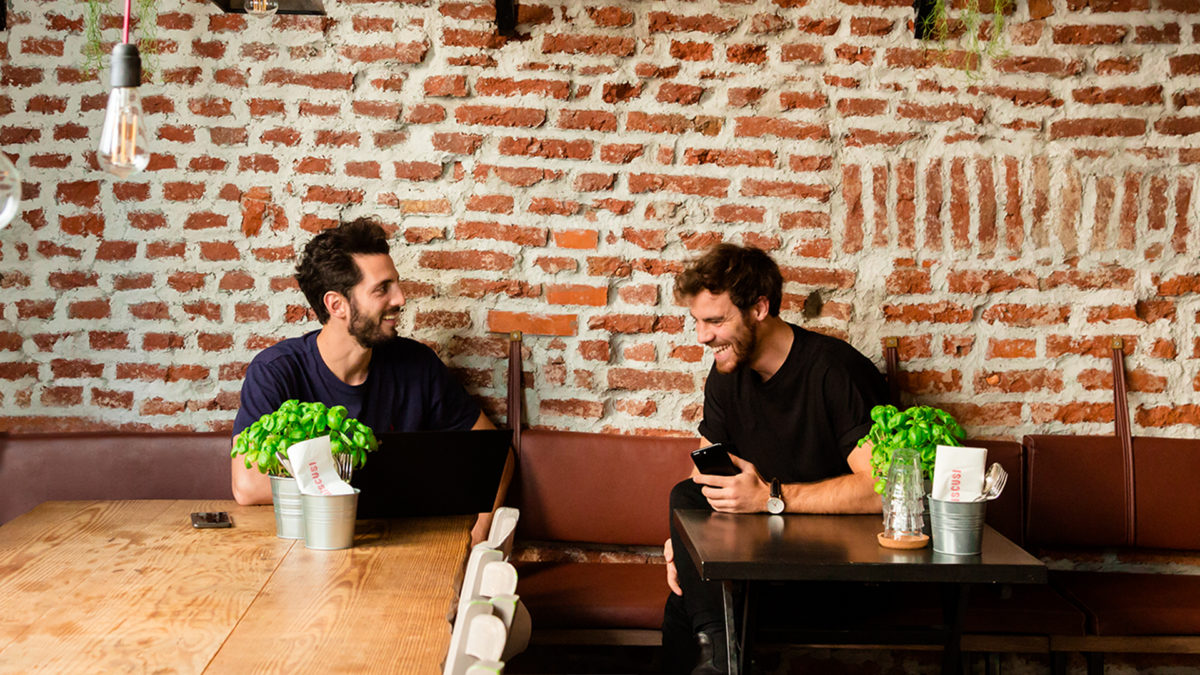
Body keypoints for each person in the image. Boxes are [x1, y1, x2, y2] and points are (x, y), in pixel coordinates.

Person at [662, 243, 890, 674]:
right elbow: (705, 475)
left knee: (693, 610)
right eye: (697, 321)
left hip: (842, 571)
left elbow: (883, 489)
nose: (702, 337)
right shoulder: (727, 373)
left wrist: (771, 497)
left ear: (760, 307)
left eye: (715, 321)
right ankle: (721, 660)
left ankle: (720, 661)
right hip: (760, 560)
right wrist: (686, 541)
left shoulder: (834, 371)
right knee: (685, 504)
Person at [230, 218, 509, 543]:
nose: (400, 298)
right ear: (337, 305)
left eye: (396, 284)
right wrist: (396, 479)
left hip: (407, 550)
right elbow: (247, 485)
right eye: (382, 289)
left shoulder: (418, 365)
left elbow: (495, 456)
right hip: (306, 545)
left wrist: (480, 535)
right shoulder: (276, 370)